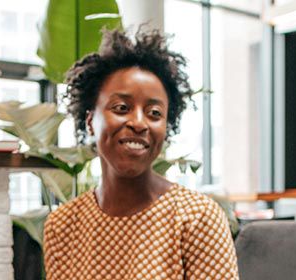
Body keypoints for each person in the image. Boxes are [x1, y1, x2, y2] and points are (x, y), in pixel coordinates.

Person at [42, 29, 239, 280]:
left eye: (154, 113)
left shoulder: (196, 217)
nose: (139, 123)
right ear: (91, 121)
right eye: (122, 108)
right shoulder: (63, 225)